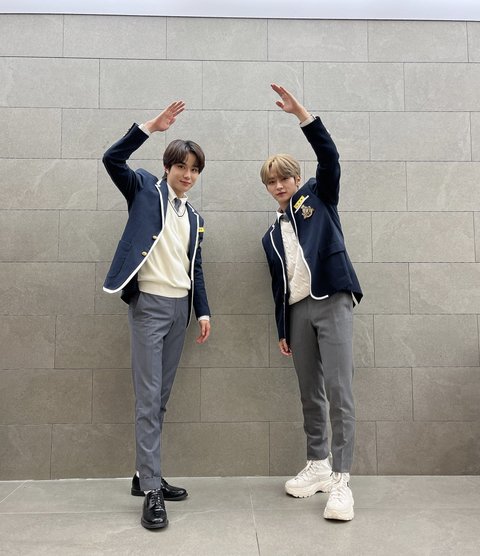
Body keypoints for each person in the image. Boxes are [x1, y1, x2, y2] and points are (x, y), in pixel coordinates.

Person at [102, 101, 211, 530]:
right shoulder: (145, 190)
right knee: (148, 399)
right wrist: (149, 127)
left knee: (159, 399)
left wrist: (203, 312)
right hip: (148, 306)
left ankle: (143, 474)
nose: (188, 174)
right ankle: (151, 491)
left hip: (180, 310)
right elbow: (112, 159)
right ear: (168, 167)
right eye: (181, 166)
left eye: (194, 169)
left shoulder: (194, 217)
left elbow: (194, 267)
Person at [261, 84, 362, 521]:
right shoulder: (270, 235)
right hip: (298, 312)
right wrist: (283, 329)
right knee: (309, 393)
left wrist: (303, 116)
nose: (278, 185)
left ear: (296, 179)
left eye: (284, 178)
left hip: (332, 300)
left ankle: (342, 480)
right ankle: (318, 464)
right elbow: (278, 285)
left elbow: (329, 157)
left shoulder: (318, 197)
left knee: (339, 391)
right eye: (271, 182)